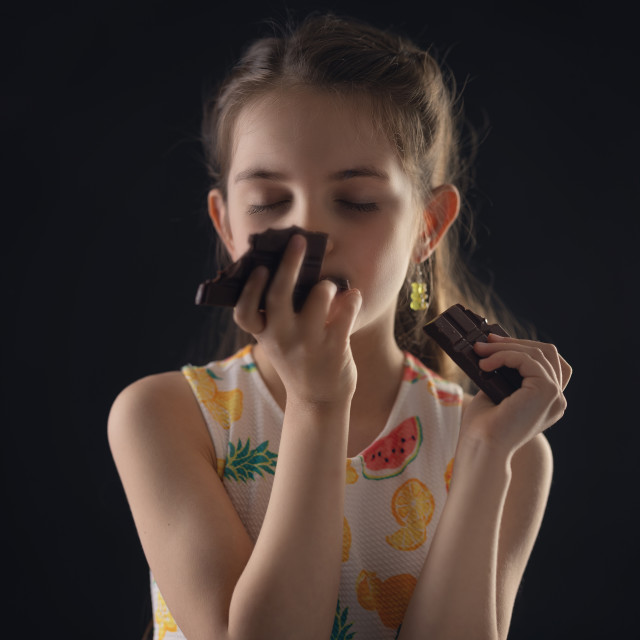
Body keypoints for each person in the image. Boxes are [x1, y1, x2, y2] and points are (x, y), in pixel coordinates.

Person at [108, 13, 571, 640]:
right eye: (269, 201)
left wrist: (488, 455)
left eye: (356, 202)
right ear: (226, 227)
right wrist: (317, 402)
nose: (308, 237)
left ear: (428, 227)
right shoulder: (163, 416)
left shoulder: (506, 448)